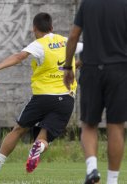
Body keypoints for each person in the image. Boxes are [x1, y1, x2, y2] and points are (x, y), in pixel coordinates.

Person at [0, 12, 83, 180]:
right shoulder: (67, 41)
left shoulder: (39, 44)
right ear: (52, 27)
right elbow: (93, 51)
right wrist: (73, 66)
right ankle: (38, 148)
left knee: (18, 130)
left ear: (34, 28)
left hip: (43, 97)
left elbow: (19, 56)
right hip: (66, 99)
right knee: (45, 136)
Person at [64, 0, 127, 184]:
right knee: (116, 126)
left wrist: (68, 67)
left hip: (92, 69)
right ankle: (113, 180)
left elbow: (74, 36)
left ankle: (92, 169)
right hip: (120, 70)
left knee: (89, 124)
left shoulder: (88, 4)